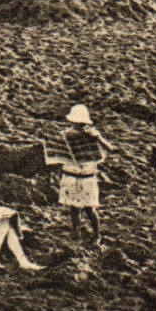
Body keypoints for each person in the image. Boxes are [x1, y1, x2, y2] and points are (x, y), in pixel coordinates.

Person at [52, 104, 114, 245]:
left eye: (81, 124)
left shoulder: (92, 136)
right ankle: (77, 233)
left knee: (89, 209)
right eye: (76, 124)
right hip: (72, 176)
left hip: (86, 178)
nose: (78, 127)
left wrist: (98, 137)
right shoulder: (66, 136)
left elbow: (110, 149)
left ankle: (97, 234)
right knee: (74, 208)